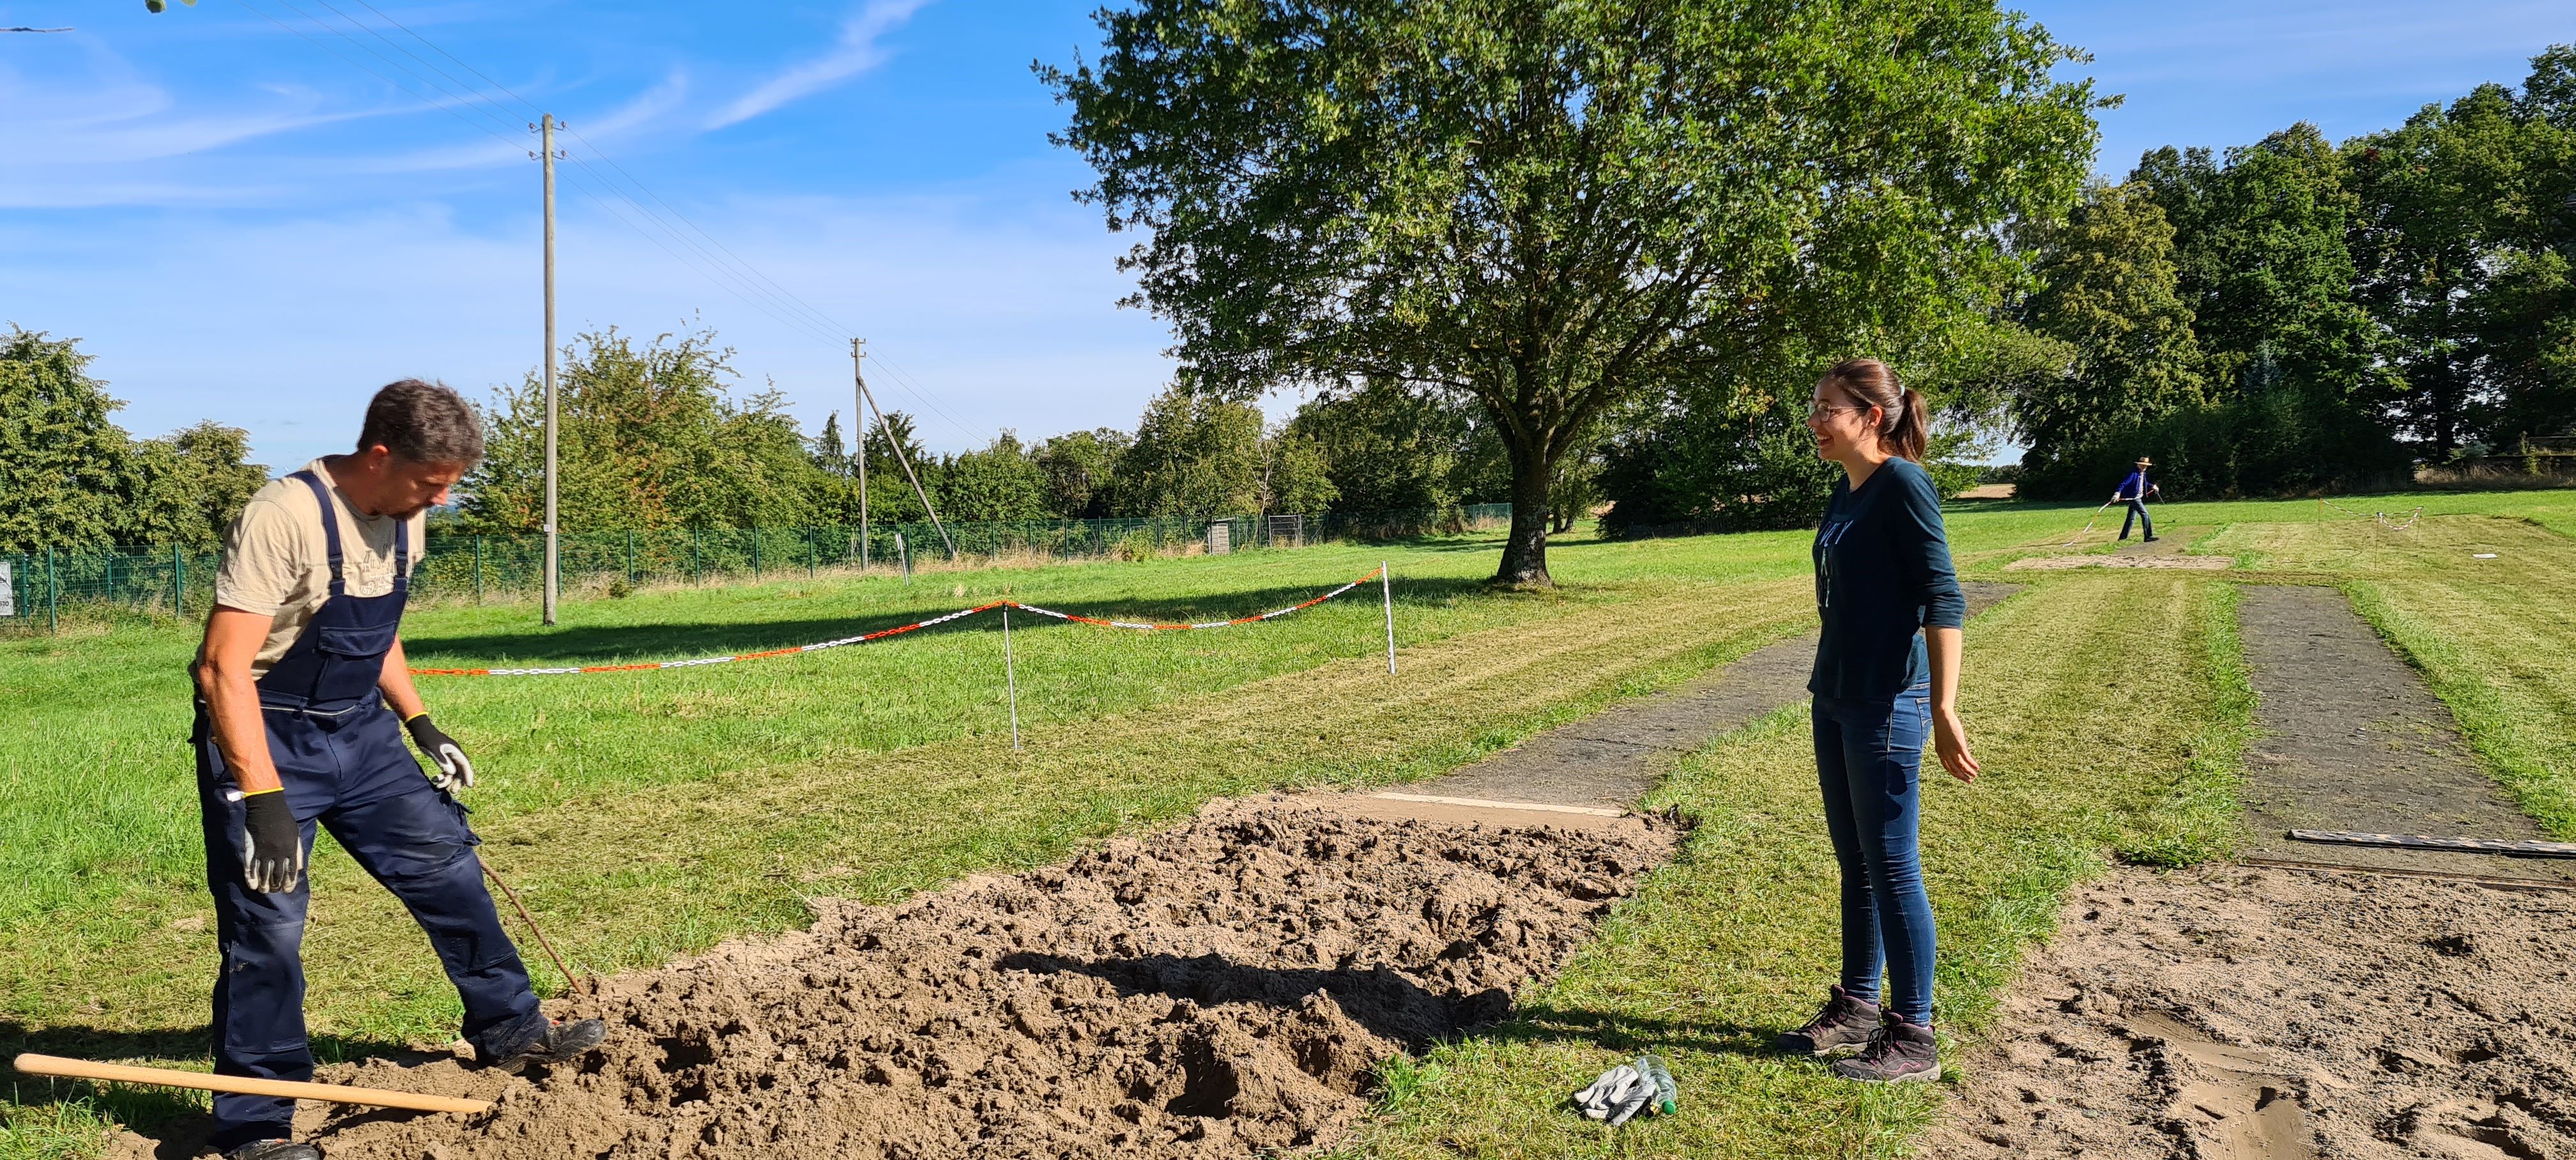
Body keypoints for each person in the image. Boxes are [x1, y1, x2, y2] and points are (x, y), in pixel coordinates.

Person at [190, 381, 604, 1160]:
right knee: (268, 927)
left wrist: (419, 721)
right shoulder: (285, 517)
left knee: (449, 870)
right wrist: (264, 798)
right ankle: (257, 1124)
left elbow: (374, 630)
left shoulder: (404, 518)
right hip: (268, 736)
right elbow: (222, 668)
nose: (442, 501)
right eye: (432, 482)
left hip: (363, 732)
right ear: (380, 456)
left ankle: (511, 1029)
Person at [1774, 358, 1979, 1084]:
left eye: (1828, 408)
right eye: (1814, 405)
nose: (1815, 420)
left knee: (1892, 865)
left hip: (1891, 700)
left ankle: (1915, 1034)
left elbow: (1944, 596)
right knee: (1856, 862)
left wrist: (1944, 706)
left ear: (1871, 416)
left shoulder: (1903, 485)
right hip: (1835, 694)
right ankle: (1859, 1006)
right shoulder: (1848, 488)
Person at [2111, 456, 2160, 542]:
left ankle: (2123, 538)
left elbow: (2144, 483)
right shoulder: (2133, 474)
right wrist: (2117, 494)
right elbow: (2123, 484)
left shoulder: (2143, 474)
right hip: (2134, 498)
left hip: (2137, 498)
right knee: (2145, 515)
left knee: (2131, 518)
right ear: (2138, 465)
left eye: (2146, 465)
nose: (2144, 467)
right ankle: (2148, 536)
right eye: (2142, 465)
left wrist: (2152, 486)